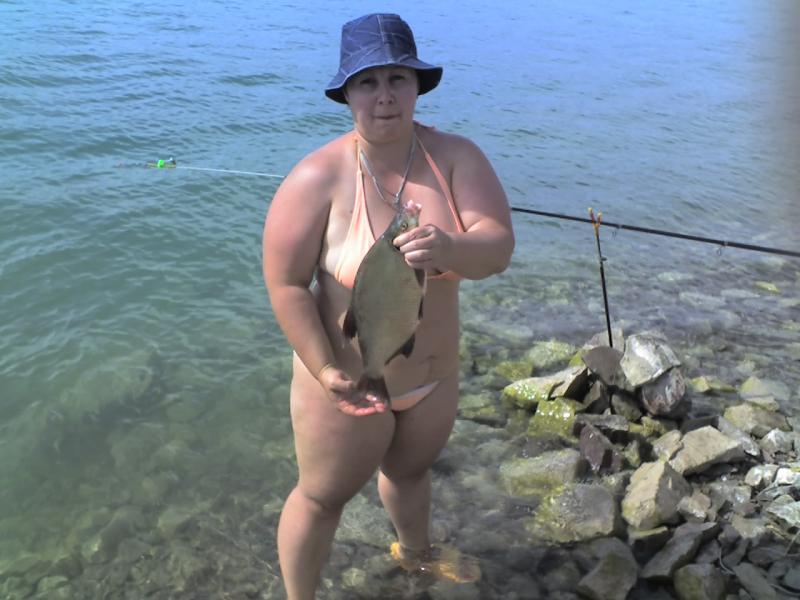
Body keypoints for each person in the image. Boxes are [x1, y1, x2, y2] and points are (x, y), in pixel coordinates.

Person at [262, 13, 514, 599]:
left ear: (417, 85)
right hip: (347, 383)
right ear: (347, 93)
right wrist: (326, 371)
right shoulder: (315, 178)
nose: (384, 96)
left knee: (409, 473)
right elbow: (286, 285)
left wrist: (451, 248)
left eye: (398, 78)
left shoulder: (457, 158)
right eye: (367, 82)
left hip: (432, 378)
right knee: (320, 498)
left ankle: (415, 554)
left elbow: (498, 248)